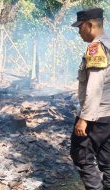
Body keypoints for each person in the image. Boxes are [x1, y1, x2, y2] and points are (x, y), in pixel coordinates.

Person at [70, 8, 110, 190]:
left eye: (80, 27)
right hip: (108, 116)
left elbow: (95, 84)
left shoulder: (96, 48)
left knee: (81, 155)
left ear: (90, 25)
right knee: (107, 160)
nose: (79, 32)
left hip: (97, 116)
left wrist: (84, 119)